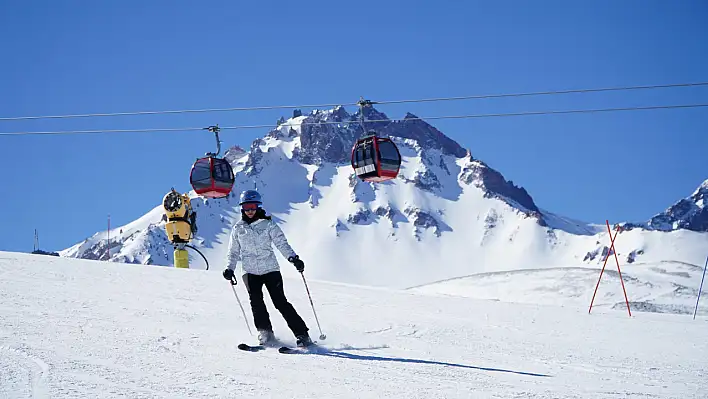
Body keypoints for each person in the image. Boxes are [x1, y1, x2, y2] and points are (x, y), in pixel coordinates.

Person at [222, 189, 313, 347]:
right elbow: (233, 251)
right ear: (242, 208)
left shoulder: (268, 224)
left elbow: (281, 244)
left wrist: (293, 259)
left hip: (270, 269)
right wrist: (229, 268)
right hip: (249, 271)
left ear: (258, 207)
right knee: (256, 302)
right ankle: (265, 333)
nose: (250, 211)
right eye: (246, 207)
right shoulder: (238, 229)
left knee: (280, 302)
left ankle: (302, 335)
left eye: (253, 207)